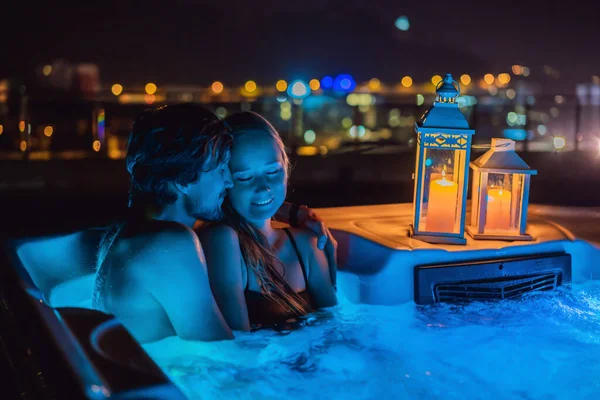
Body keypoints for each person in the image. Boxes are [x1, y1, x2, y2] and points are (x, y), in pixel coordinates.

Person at [92, 103, 336, 343]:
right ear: (185, 180)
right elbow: (229, 359)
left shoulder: (123, 233)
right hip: (155, 382)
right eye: (221, 169)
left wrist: (292, 212)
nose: (229, 182)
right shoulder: (173, 245)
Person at [199, 112, 338, 332]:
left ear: (286, 167)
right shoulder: (221, 241)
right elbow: (239, 343)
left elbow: (335, 327)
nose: (263, 187)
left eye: (273, 171)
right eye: (244, 177)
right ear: (223, 180)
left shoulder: (306, 243)